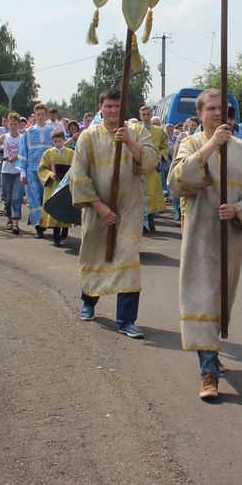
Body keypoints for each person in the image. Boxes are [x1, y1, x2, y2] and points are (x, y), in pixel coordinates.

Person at [168, 89, 242, 400]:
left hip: (231, 238)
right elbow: (176, 182)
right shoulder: (191, 144)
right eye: (211, 109)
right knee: (201, 299)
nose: (217, 114)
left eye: (224, 110)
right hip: (199, 235)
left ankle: (210, 353)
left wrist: (238, 208)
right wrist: (212, 145)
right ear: (199, 114)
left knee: (221, 300)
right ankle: (208, 372)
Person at [71, 89, 158, 338]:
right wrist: (99, 207)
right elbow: (79, 176)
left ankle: (127, 320)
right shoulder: (88, 137)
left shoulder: (137, 131)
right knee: (95, 254)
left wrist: (129, 141)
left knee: (128, 260)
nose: (113, 110)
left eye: (117, 106)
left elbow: (151, 163)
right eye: (108, 106)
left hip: (129, 209)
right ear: (100, 107)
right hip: (97, 210)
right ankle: (89, 302)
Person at [131, 105, 169, 232]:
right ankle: (140, 225)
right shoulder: (136, 129)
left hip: (153, 169)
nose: (146, 117)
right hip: (139, 168)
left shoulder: (159, 131)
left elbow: (164, 146)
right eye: (144, 115)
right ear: (140, 116)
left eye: (148, 114)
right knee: (139, 196)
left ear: (151, 115)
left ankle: (151, 223)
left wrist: (160, 157)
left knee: (151, 196)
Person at [38, 128, 76, 246]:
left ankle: (65, 230)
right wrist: (50, 175)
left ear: (63, 140)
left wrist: (71, 175)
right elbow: (42, 168)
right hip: (53, 186)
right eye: (55, 141)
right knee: (54, 208)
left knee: (65, 208)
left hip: (66, 186)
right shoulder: (48, 153)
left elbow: (76, 166)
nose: (58, 143)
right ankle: (56, 236)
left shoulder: (71, 153)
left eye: (59, 141)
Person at [22, 103, 54, 238]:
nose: (40, 117)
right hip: (31, 170)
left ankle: (47, 223)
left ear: (46, 116)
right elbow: (23, 153)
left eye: (42, 114)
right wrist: (22, 173)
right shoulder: (28, 132)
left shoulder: (52, 131)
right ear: (34, 116)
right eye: (38, 114)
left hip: (47, 171)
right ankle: (38, 227)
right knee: (34, 198)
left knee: (46, 198)